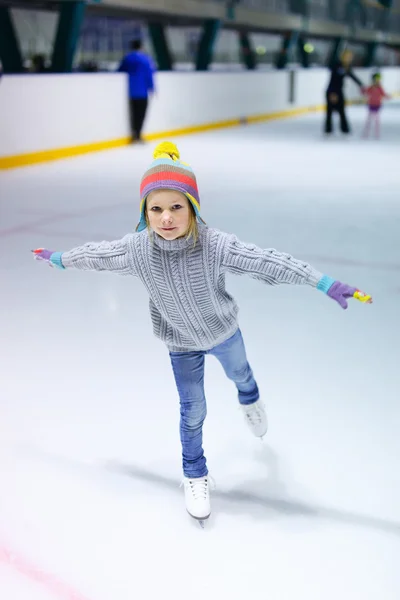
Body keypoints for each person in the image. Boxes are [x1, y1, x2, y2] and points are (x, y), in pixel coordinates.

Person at [32, 141, 373, 524]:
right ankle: (195, 473)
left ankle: (251, 398)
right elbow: (97, 255)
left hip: (223, 332)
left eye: (176, 207)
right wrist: (60, 259)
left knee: (241, 374)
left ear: (193, 208)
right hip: (180, 344)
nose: (166, 217)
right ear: (145, 212)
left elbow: (269, 262)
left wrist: (323, 282)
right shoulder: (138, 250)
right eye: (156, 208)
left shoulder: (214, 245)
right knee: (192, 411)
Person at [118, 39, 155, 143]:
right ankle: (138, 135)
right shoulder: (146, 59)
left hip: (131, 90)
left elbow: (120, 70)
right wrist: (152, 87)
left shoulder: (127, 58)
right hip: (142, 91)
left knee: (133, 113)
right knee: (141, 114)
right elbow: (149, 74)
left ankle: (134, 134)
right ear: (141, 47)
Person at [325, 49, 364, 135]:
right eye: (347, 57)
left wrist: (361, 85)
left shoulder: (346, 67)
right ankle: (328, 129)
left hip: (339, 91)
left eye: (350, 57)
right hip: (332, 90)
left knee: (342, 110)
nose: (349, 59)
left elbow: (352, 76)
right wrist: (332, 93)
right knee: (330, 112)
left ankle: (344, 129)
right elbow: (333, 80)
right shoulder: (337, 65)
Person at [362, 72, 391, 139]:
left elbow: (383, 94)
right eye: (376, 80)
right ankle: (366, 133)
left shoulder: (380, 88)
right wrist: (363, 90)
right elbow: (365, 92)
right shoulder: (370, 88)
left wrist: (388, 96)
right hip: (371, 105)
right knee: (369, 120)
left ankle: (376, 133)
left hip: (377, 105)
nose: (377, 81)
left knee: (376, 120)